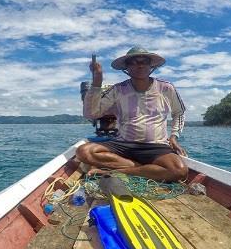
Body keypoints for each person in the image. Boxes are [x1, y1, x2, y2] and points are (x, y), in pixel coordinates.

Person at [76, 46, 188, 182]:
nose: (139, 65)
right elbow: (91, 113)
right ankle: (147, 169)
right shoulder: (118, 89)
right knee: (83, 152)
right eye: (133, 62)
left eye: (143, 61)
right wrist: (97, 81)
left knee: (179, 171)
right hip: (124, 144)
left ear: (150, 65)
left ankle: (117, 172)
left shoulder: (166, 88)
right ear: (127, 68)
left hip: (155, 145)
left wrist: (174, 136)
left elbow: (179, 112)